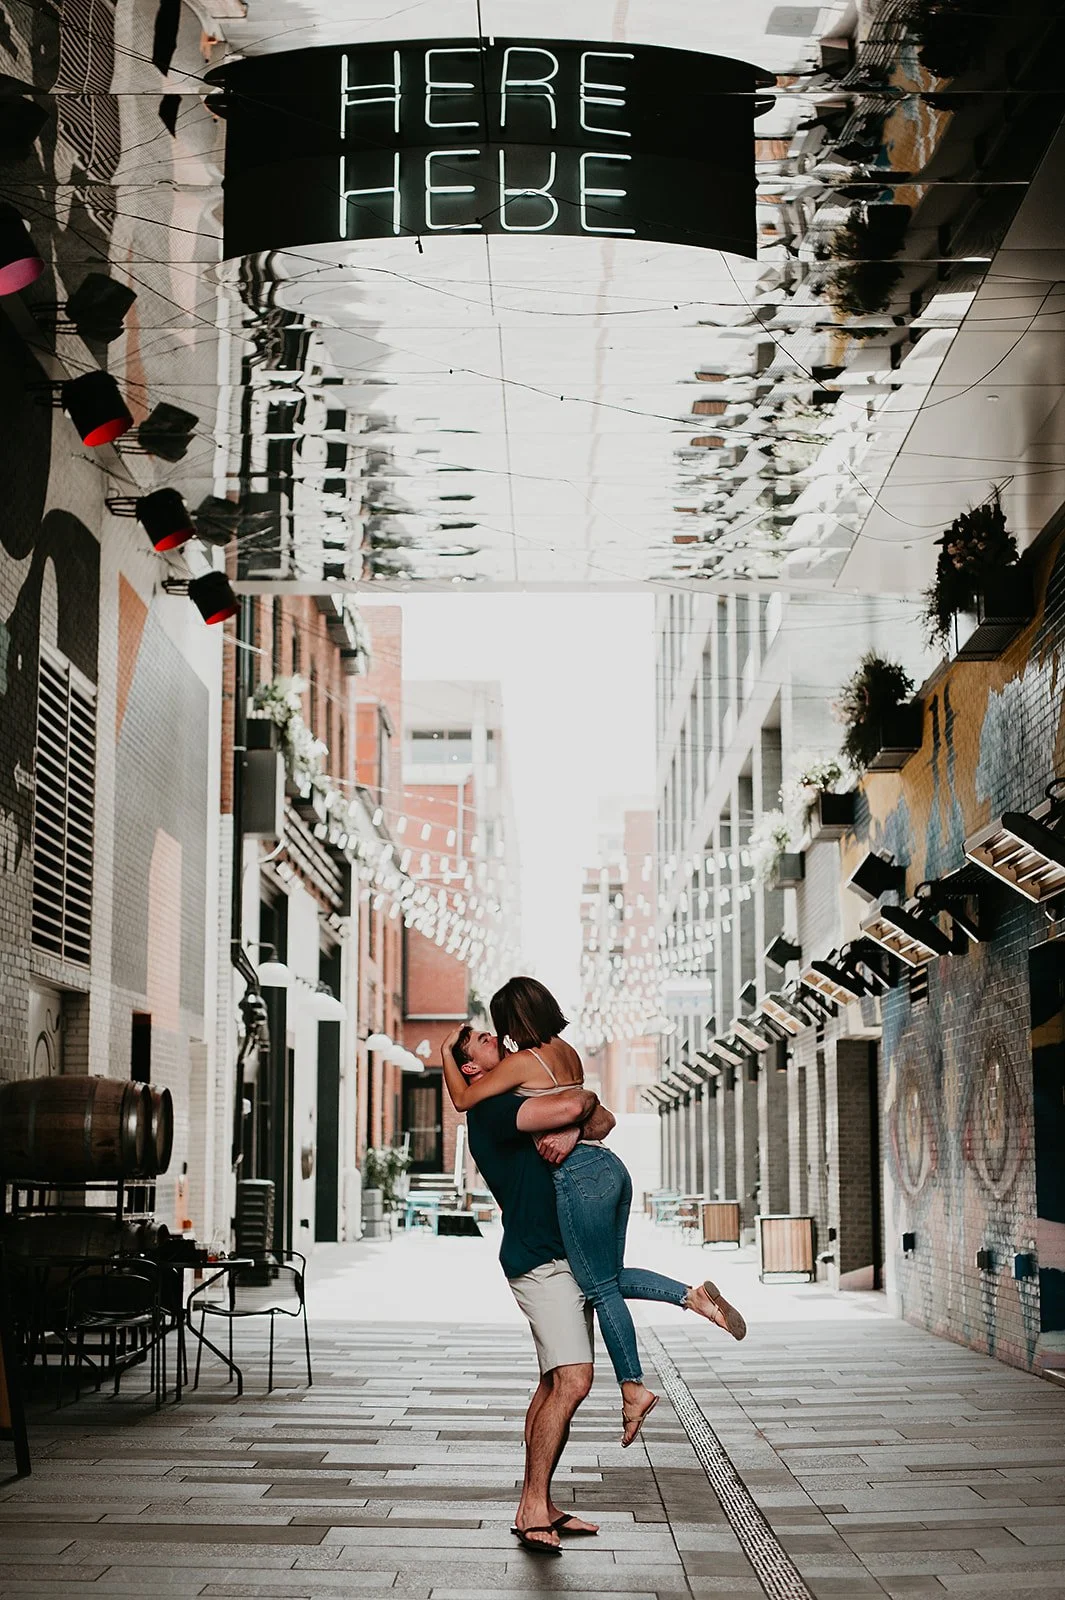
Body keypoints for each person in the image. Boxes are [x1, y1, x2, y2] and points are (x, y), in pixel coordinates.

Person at [442, 982, 747, 1452]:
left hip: (580, 1177)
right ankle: (692, 1297)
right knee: (607, 1275)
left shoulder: (524, 1062)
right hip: (610, 1167)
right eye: (486, 1039)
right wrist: (576, 1121)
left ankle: (633, 1388)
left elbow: (465, 1099)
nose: (499, 1039)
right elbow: (598, 1113)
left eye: (498, 1029)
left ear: (515, 1020)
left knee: (601, 1286)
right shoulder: (567, 1052)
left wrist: (448, 1053)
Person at [450, 1024, 614, 1556]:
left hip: (562, 1253)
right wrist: (576, 1116)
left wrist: (575, 1127)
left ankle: (539, 1503)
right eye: (475, 1038)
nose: (489, 1036)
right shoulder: (492, 1110)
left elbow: (602, 1122)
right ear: (471, 1067)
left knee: (553, 1383)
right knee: (574, 1380)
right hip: (540, 1259)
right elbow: (583, 1106)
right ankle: (530, 1508)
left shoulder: (515, 1096)